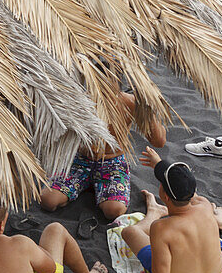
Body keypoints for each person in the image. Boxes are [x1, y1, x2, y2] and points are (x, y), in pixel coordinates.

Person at [38, 88, 167, 220]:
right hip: (80, 159)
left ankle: (93, 187)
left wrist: (147, 107)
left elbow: (159, 141)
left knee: (114, 211)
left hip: (112, 162)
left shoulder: (130, 102)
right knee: (47, 201)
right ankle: (89, 185)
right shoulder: (79, 96)